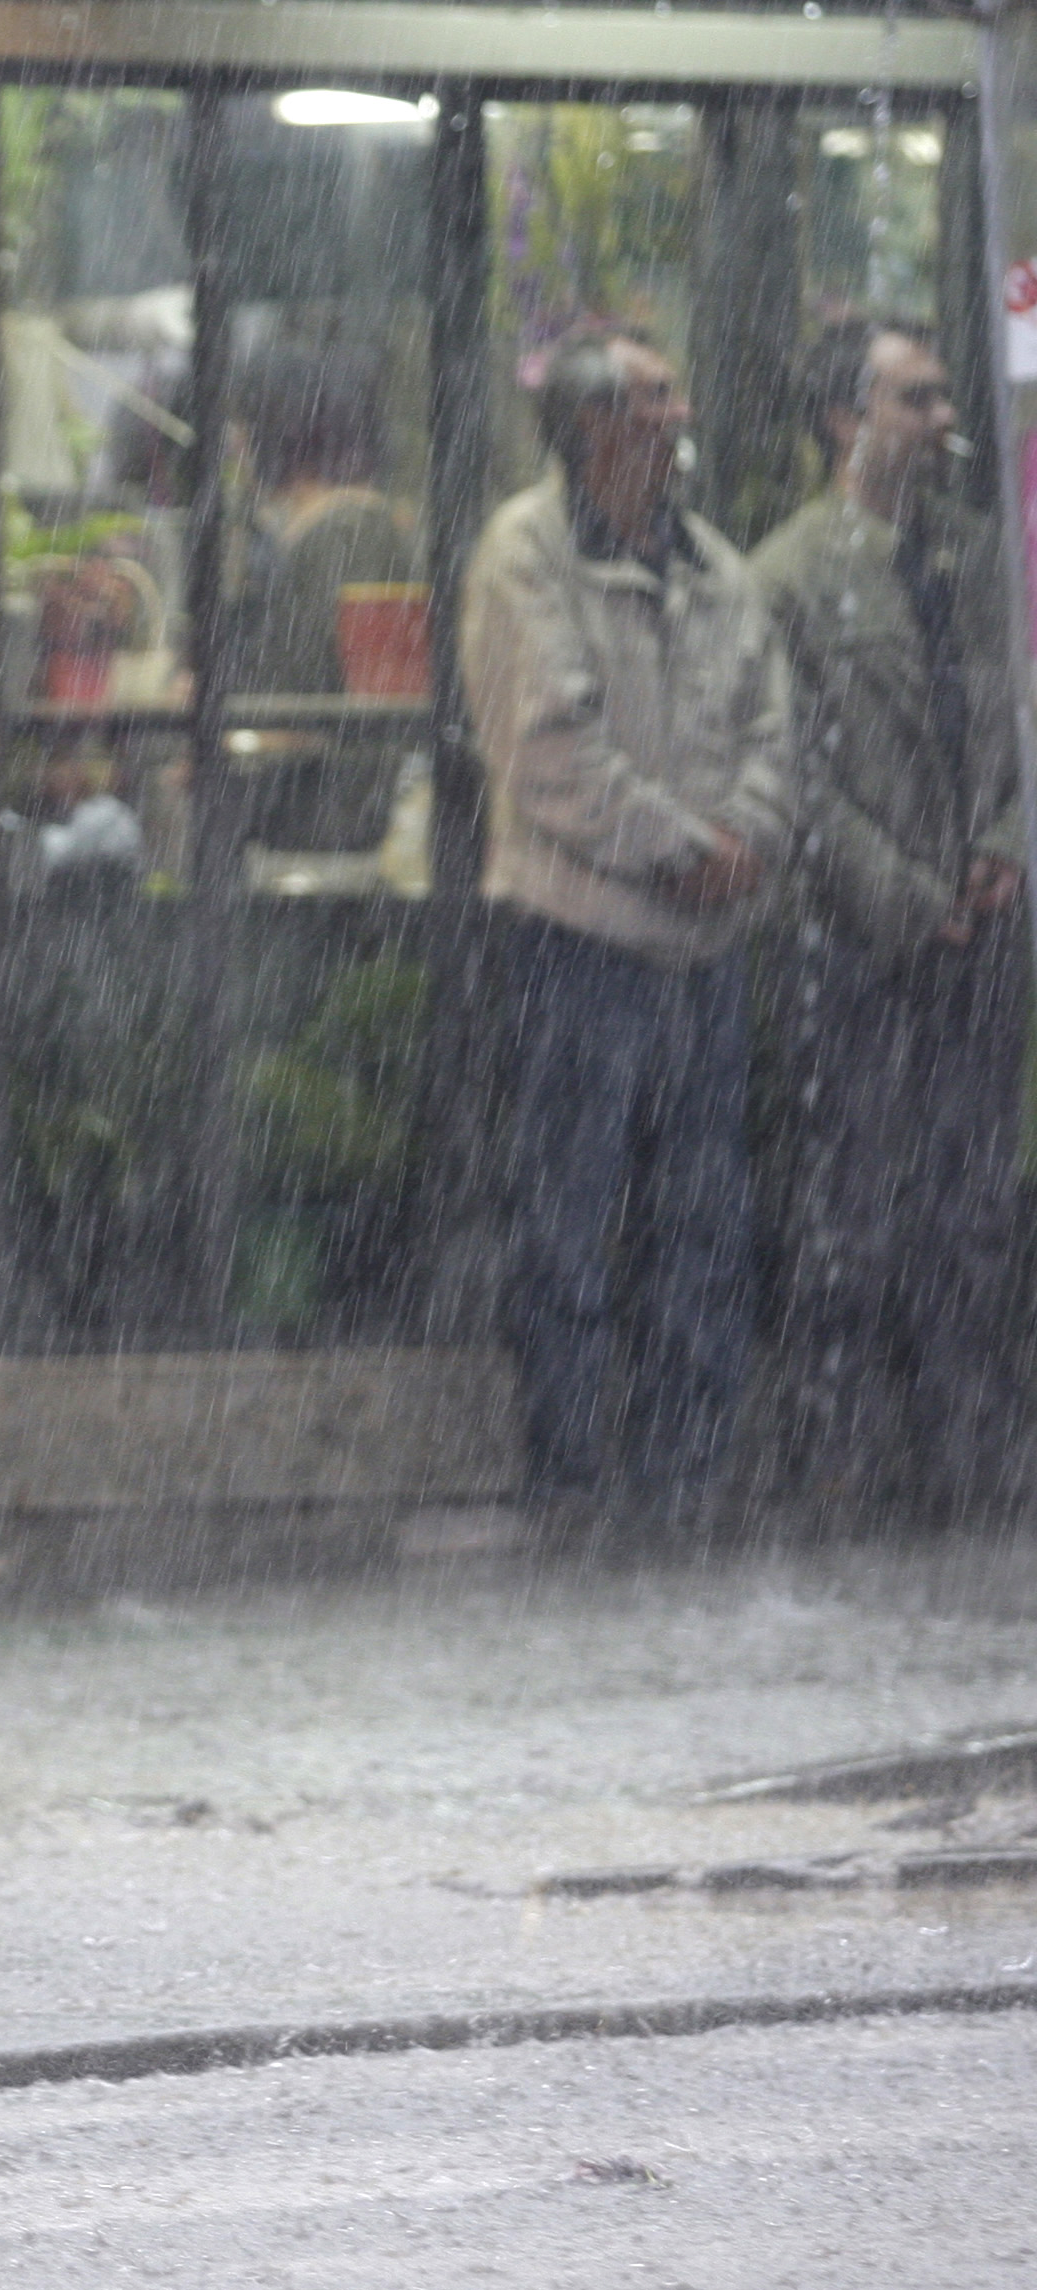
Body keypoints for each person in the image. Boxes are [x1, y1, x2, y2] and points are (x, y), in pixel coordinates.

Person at [459, 326, 791, 1551]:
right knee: (572, 1214)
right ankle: (571, 1473)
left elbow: (772, 721)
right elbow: (548, 751)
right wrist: (680, 847)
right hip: (580, 937)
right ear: (597, 424)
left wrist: (745, 832)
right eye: (653, 400)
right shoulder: (524, 558)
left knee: (704, 1215)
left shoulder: (714, 564)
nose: (677, 416)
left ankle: (687, 1469)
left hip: (705, 949)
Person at [751, 319, 1026, 1523]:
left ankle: (969, 1448)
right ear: (843, 419)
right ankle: (846, 1458)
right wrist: (906, 895)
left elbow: (1018, 717)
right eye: (914, 400)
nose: (941, 419)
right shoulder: (791, 576)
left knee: (971, 1206)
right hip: (860, 942)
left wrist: (1004, 849)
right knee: (855, 1210)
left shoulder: (979, 558)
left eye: (941, 397)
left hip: (984, 929)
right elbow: (794, 777)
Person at [231, 342, 420, 697]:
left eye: (247, 424)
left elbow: (304, 683)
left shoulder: (342, 535)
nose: (237, 442)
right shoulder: (352, 525)